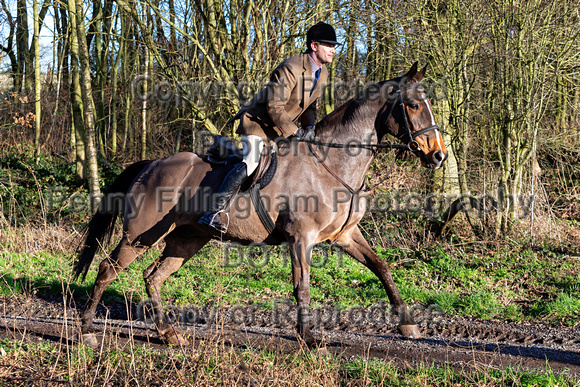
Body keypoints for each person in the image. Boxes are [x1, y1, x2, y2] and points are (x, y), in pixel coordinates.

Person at [199, 22, 340, 232]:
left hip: (280, 128)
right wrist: (295, 131)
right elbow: (274, 107)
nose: (333, 50)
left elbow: (310, 105)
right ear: (314, 46)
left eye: (333, 46)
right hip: (258, 124)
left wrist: (309, 127)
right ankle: (213, 212)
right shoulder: (290, 68)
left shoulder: (324, 72)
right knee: (252, 161)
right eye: (328, 45)